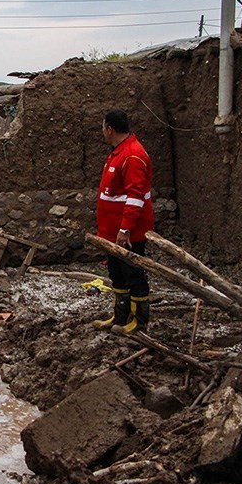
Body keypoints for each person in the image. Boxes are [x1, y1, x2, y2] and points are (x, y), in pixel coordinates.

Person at [93, 109, 155, 334]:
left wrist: (125, 229)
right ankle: (120, 316)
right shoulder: (118, 152)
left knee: (133, 273)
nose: (102, 131)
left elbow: (136, 196)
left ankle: (139, 321)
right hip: (111, 232)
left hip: (128, 233)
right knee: (116, 273)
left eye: (103, 127)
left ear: (109, 128)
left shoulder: (133, 155)